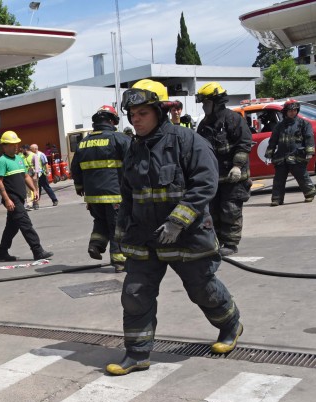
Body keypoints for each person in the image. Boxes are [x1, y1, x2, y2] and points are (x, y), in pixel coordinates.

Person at [107, 79, 243, 376]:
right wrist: (119, 241)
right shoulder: (133, 149)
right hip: (145, 237)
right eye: (131, 114)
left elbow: (205, 184)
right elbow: (128, 196)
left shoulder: (188, 141)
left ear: (160, 111)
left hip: (189, 235)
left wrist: (176, 221)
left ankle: (231, 325)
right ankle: (137, 355)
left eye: (142, 112)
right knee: (134, 293)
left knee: (202, 290)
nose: (135, 119)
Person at [70, 105, 131, 272]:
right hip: (114, 194)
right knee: (117, 226)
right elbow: (134, 163)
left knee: (101, 221)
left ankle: (96, 245)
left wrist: (80, 186)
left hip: (92, 196)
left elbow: (75, 167)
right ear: (112, 121)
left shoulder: (83, 143)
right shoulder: (120, 139)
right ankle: (120, 261)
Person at [195, 81, 253, 256]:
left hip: (234, 177)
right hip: (214, 178)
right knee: (213, 211)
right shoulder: (204, 125)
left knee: (230, 210)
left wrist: (237, 166)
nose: (204, 106)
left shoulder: (233, 119)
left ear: (217, 102)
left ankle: (230, 243)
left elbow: (244, 144)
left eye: (206, 102)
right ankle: (217, 242)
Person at [0, 130, 54, 262]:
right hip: (12, 198)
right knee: (25, 223)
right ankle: (37, 251)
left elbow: (25, 176)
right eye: (12, 144)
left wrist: (34, 189)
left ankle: (2, 252)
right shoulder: (2, 161)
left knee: (12, 226)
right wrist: (7, 199)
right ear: (4, 145)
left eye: (16, 144)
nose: (16, 146)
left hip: (20, 197)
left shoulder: (19, 159)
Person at [265, 99, 316, 207]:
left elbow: (309, 137)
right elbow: (273, 141)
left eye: (294, 110)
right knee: (278, 179)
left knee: (302, 176)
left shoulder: (303, 124)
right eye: (290, 110)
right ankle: (277, 199)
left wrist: (309, 151)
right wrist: (269, 154)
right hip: (281, 157)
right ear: (285, 112)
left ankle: (309, 194)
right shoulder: (279, 126)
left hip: (297, 155)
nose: (292, 112)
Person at [29, 143, 59, 208]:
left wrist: (47, 171)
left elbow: (45, 163)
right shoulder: (32, 155)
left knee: (46, 187)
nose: (30, 150)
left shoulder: (41, 154)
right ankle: (36, 203)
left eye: (31, 149)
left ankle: (54, 200)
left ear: (35, 149)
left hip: (41, 174)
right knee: (37, 189)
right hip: (35, 174)